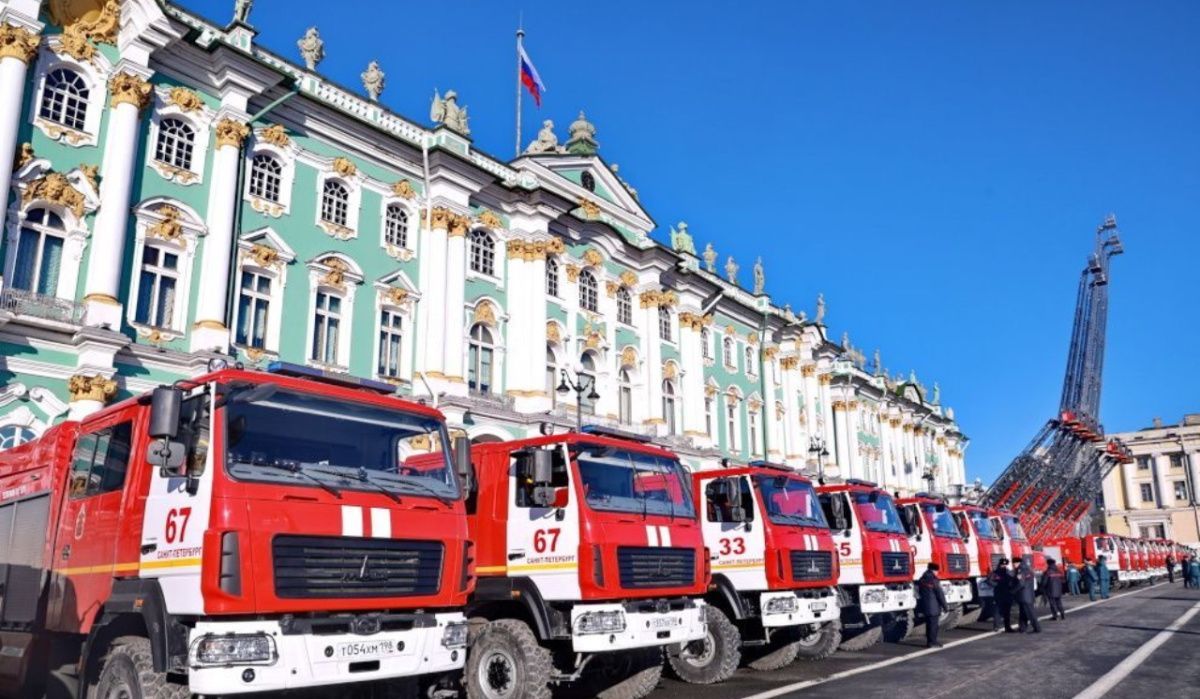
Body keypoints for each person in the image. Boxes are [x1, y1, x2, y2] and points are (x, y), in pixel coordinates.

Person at [918, 562, 949, 648]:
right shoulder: (934, 580)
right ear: (934, 570)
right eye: (937, 571)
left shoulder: (922, 579)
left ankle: (930, 641)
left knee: (929, 625)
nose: (937, 573)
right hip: (933, 606)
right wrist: (945, 607)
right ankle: (932, 642)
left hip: (926, 605)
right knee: (934, 625)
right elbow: (940, 594)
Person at [1014, 560, 1041, 633]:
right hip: (1029, 595)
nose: (1014, 565)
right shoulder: (1029, 570)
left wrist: (1013, 591)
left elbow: (1021, 583)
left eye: (1015, 563)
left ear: (1018, 563)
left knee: (1030, 614)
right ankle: (1022, 628)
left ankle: (1037, 628)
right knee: (1023, 613)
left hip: (1023, 596)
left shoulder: (1021, 571)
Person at [989, 558, 1014, 632]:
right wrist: (996, 585)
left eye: (1005, 564)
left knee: (1007, 612)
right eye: (1002, 564)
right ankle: (996, 626)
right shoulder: (995, 572)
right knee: (997, 611)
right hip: (999, 593)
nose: (1004, 565)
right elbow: (989, 581)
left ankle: (1008, 627)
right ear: (1000, 564)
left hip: (1008, 593)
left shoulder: (1009, 572)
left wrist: (1011, 587)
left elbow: (1013, 580)